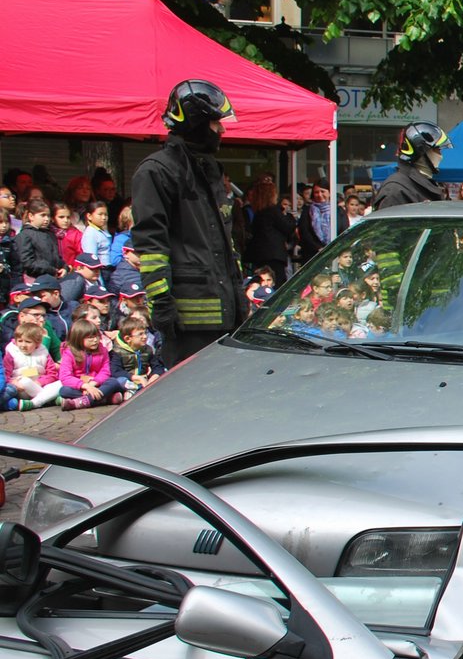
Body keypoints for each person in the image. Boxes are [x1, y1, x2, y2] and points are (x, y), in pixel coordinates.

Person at [131, 79, 250, 363]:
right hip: (189, 323)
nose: (221, 129)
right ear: (196, 123)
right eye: (215, 123)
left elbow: (225, 243)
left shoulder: (209, 169)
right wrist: (161, 302)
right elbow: (151, 246)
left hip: (227, 314)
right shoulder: (156, 172)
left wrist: (238, 295)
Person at [372, 122, 450, 210]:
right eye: (437, 150)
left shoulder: (423, 185)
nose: (441, 156)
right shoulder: (396, 190)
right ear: (421, 152)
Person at [57, 316, 125, 410]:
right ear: (78, 338)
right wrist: (85, 387)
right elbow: (65, 377)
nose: (95, 340)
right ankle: (106, 399)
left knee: (113, 382)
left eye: (97, 336)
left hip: (97, 384)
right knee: (64, 391)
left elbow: (105, 371)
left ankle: (79, 402)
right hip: (80, 386)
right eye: (90, 338)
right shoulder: (69, 353)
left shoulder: (103, 350)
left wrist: (93, 384)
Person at [243, 177, 297, 285]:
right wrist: (291, 217)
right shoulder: (273, 211)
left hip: (261, 254)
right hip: (274, 254)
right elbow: (288, 227)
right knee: (277, 282)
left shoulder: (258, 212)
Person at [2, 320, 61, 410]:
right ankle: (49, 399)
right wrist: (14, 383)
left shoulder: (43, 352)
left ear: (37, 343)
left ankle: (34, 403)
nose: (23, 345)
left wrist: (40, 382)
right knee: (25, 381)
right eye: (20, 341)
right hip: (22, 388)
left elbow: (52, 373)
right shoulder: (11, 352)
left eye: (28, 342)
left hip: (40, 385)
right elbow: (6, 374)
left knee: (60, 383)